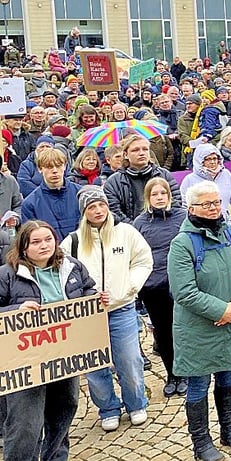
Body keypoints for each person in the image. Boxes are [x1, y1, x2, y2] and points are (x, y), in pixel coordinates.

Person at [0, 221, 107, 461]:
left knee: (64, 410)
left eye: (48, 239)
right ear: (23, 246)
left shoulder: (72, 267)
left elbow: (87, 291)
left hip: (64, 355)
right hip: (25, 362)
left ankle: (56, 457)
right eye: (35, 242)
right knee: (26, 423)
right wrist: (16, 309)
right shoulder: (7, 274)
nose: (43, 246)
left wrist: (96, 299)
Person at [167, 180, 231, 460]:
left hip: (230, 320)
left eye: (217, 202)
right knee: (198, 384)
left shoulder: (230, 233)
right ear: (191, 207)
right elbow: (184, 291)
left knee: (227, 375)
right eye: (207, 204)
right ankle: (201, 443)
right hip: (198, 329)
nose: (215, 208)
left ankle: (229, 429)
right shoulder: (182, 244)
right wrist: (221, 310)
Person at [61, 186, 153, 432]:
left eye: (101, 205)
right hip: (88, 316)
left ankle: (136, 403)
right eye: (92, 207)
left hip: (122, 308)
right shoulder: (73, 242)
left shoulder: (125, 233)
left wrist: (130, 286)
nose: (98, 210)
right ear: (84, 212)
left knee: (129, 360)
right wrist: (80, 298)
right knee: (95, 367)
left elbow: (143, 260)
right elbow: (61, 273)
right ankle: (108, 408)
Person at [133, 178, 188, 398]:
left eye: (162, 194)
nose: (159, 197)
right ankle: (171, 374)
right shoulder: (140, 223)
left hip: (179, 283)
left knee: (181, 330)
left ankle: (184, 373)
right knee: (163, 333)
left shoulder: (181, 217)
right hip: (152, 287)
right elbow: (135, 255)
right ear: (148, 198)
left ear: (169, 195)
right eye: (154, 194)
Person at [104, 134, 183, 224]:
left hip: (163, 227)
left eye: (145, 149)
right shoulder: (113, 182)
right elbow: (114, 212)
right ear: (125, 154)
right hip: (129, 232)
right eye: (135, 150)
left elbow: (175, 202)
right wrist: (137, 227)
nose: (141, 153)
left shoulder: (164, 175)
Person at [21, 147, 82, 240]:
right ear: (40, 169)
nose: (54, 171)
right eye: (49, 167)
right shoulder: (30, 203)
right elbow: (30, 237)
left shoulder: (80, 194)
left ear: (65, 166)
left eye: (58, 166)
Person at [180, 144, 231, 228]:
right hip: (200, 228)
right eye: (208, 159)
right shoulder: (189, 180)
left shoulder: (226, 174)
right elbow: (185, 207)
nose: (212, 162)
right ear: (200, 161)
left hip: (226, 226)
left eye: (215, 158)